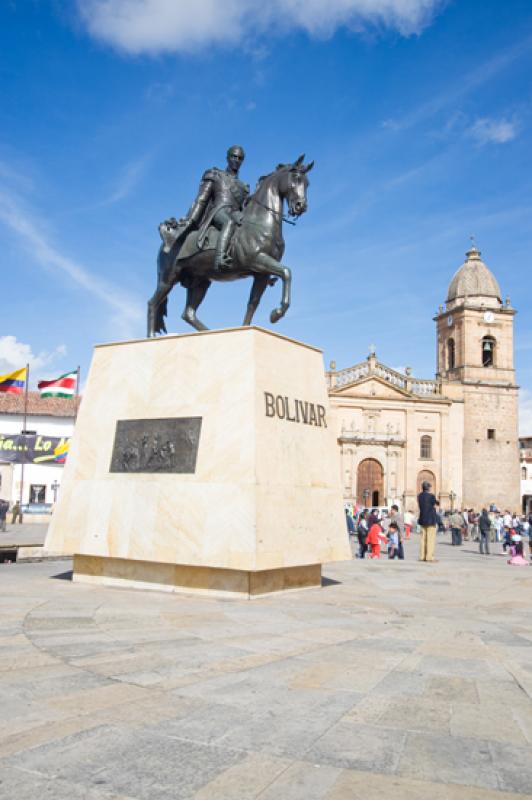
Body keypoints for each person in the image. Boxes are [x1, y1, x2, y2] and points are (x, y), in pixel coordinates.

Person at [175, 145, 249, 272]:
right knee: (229, 222)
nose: (236, 160)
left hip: (235, 213)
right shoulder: (215, 175)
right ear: (227, 158)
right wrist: (190, 219)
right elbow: (201, 200)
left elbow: (243, 208)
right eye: (234, 156)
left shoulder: (244, 187)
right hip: (219, 210)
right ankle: (219, 258)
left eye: (240, 158)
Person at [417, 480, 439, 562]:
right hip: (430, 520)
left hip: (422, 519)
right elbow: (436, 503)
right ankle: (429, 557)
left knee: (423, 539)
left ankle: (422, 556)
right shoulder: (431, 496)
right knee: (430, 539)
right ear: (428, 488)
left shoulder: (419, 496)